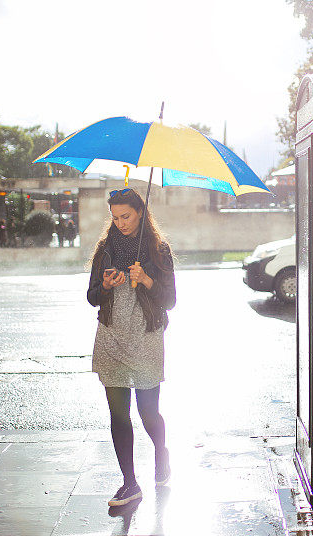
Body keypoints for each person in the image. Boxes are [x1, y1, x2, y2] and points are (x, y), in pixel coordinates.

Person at [86, 188, 175, 507]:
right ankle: (129, 482)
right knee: (118, 414)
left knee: (148, 411)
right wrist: (106, 286)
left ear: (140, 212)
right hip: (112, 337)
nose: (120, 223)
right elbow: (92, 296)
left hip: (147, 338)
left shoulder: (157, 250)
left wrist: (147, 279)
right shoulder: (105, 250)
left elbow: (170, 300)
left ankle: (161, 453)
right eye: (115, 217)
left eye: (126, 216)